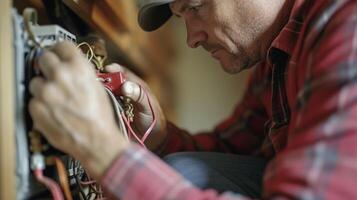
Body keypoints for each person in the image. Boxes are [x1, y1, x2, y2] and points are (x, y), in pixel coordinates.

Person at [29, 0, 357, 199]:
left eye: (196, 8)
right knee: (184, 168)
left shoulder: (347, 34)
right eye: (181, 16)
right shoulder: (276, 59)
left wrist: (101, 150)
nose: (191, 38)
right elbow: (233, 151)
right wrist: (160, 139)